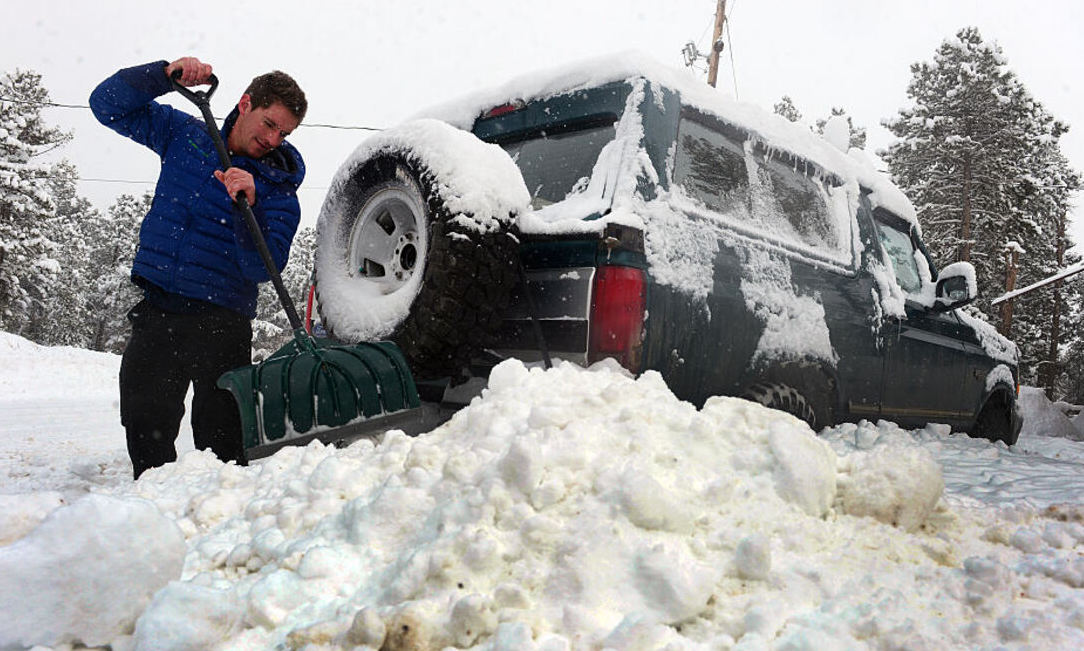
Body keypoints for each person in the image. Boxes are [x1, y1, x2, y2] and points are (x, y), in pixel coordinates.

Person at [90, 57, 307, 478]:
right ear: (245, 104)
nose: (272, 139)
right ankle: (154, 522)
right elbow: (106, 106)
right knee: (145, 427)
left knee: (222, 445)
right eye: (268, 124)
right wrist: (163, 74)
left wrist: (252, 207)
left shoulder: (280, 194)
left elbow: (262, 267)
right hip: (158, 310)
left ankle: (218, 532)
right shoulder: (186, 135)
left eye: (283, 133)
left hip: (221, 323)